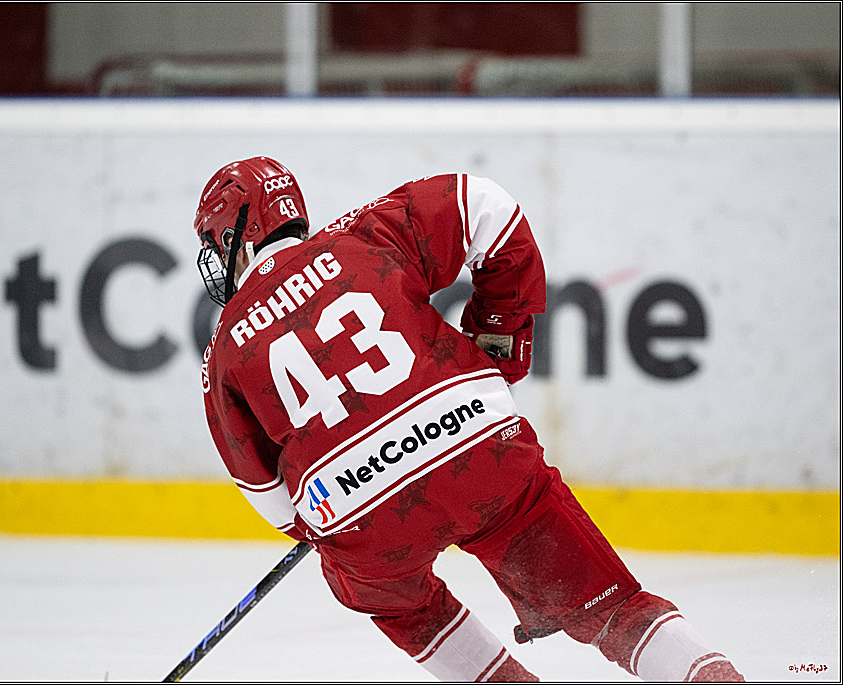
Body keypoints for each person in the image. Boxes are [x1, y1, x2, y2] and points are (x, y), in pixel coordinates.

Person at [193, 156, 745, 683]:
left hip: (363, 513)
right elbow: (486, 207)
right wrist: (497, 335)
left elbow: (267, 495)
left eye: (217, 244)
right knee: (609, 606)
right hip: (478, 448)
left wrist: (325, 529)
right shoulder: (363, 237)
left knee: (401, 605)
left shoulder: (221, 353)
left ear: (242, 233)